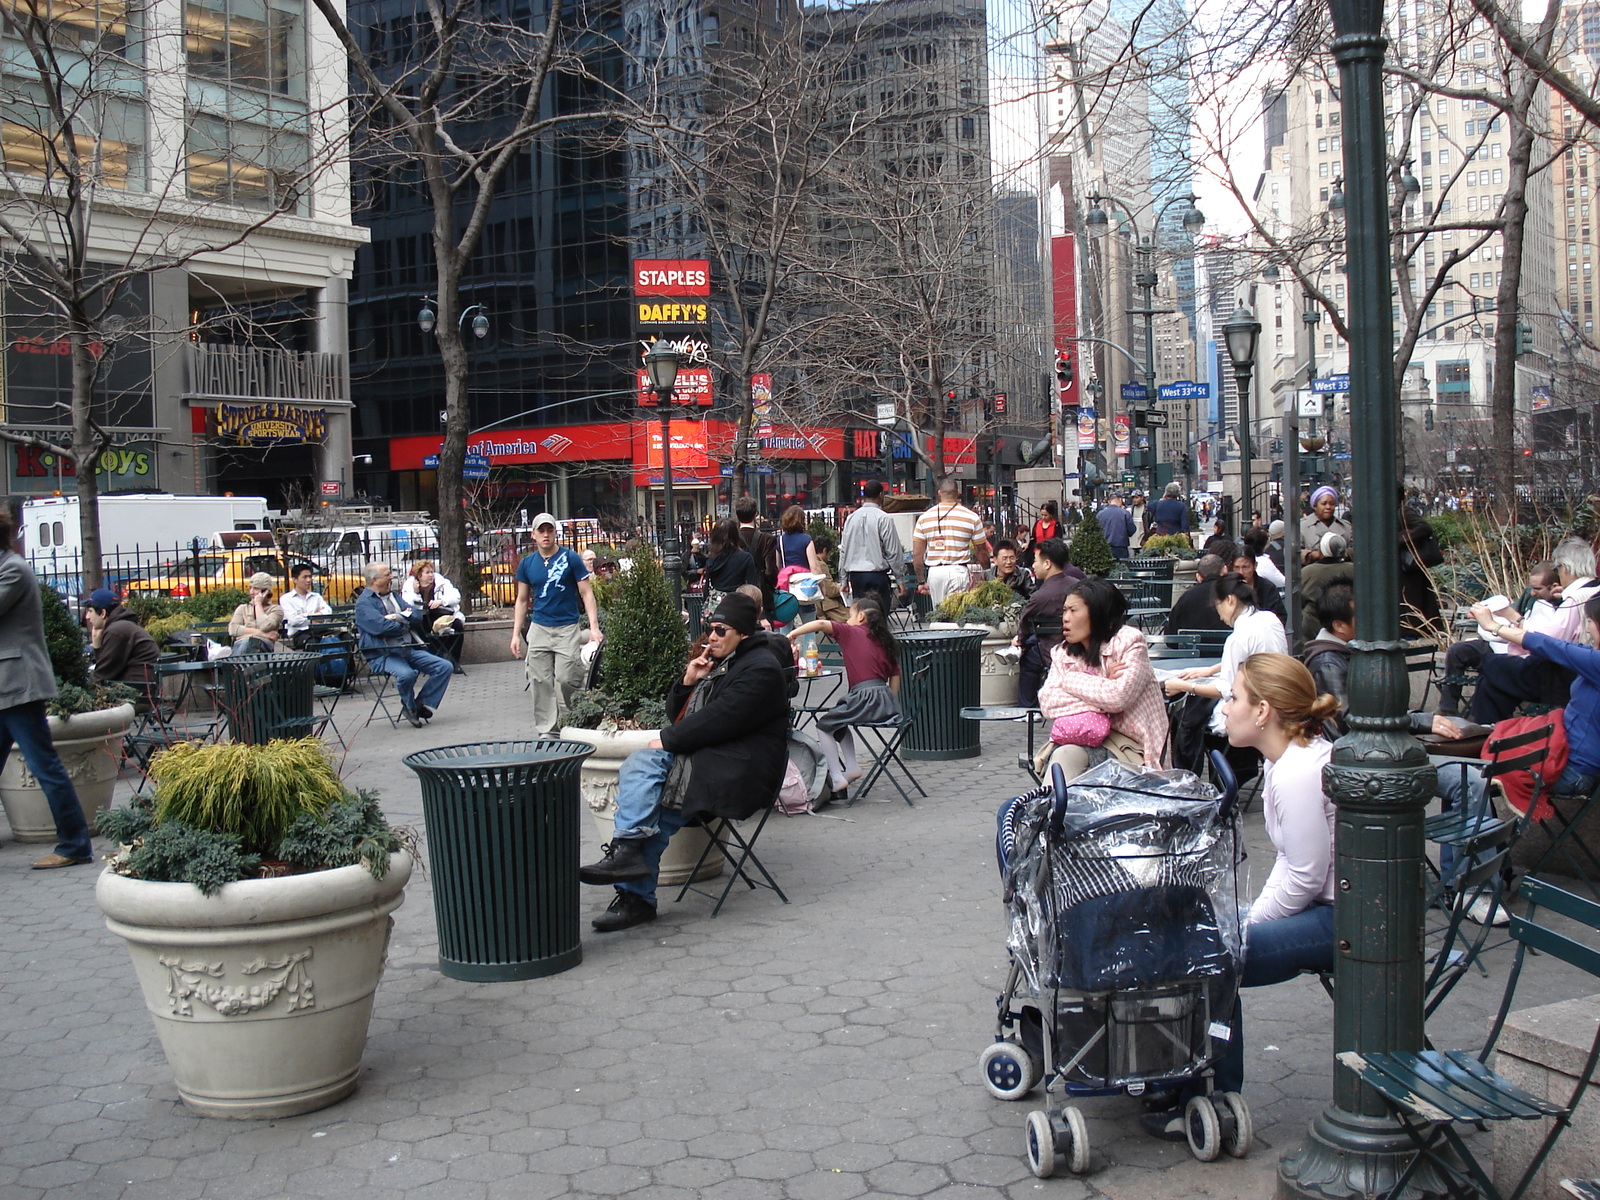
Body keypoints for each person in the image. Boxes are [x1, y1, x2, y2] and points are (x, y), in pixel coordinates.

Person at [1141, 653, 1339, 1141]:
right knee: (1207, 941)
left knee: (1210, 957)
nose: (1224, 709)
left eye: (1234, 698)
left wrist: (1247, 925)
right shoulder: (1290, 761)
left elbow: (1306, 876)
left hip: (1339, 921)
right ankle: (1186, 1083)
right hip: (1326, 908)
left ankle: (1212, 1098)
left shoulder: (1296, 772)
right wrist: (1248, 916)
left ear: (1263, 710)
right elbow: (1294, 869)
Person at [578, 593, 792, 932]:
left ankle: (632, 878)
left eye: (721, 630)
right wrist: (688, 682)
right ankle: (631, 864)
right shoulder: (730, 661)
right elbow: (681, 716)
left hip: (740, 772)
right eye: (710, 628)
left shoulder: (761, 669)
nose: (712, 636)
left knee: (648, 772)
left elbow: (719, 720)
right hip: (712, 760)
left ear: (744, 634)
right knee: (648, 783)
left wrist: (665, 740)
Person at [1434, 592, 1600, 925]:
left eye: (1591, 624)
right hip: (1565, 749)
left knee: (1469, 780)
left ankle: (1470, 887)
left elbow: (1551, 646)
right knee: (1472, 769)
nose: (1588, 630)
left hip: (1572, 768)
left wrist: (1493, 624)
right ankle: (1462, 881)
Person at [0, 513, 94, 869]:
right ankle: (74, 843)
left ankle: (74, 845)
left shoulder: (13, 569)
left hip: (17, 684)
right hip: (6, 685)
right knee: (44, 765)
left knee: (44, 767)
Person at [1036, 578, 1169, 780]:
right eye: (1064, 610)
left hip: (1129, 744)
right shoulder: (1063, 652)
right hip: (1082, 737)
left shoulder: (1130, 642)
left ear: (1097, 613)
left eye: (1073, 610)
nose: (1065, 618)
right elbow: (1048, 702)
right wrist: (1104, 683)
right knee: (1063, 757)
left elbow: (1118, 697)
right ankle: (1050, 809)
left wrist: (1070, 681)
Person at [1163, 573, 1289, 772]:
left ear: (1230, 600)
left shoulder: (1238, 637)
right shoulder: (1269, 619)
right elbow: (1255, 657)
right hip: (1277, 700)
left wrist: (1185, 686)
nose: (1219, 616)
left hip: (1255, 707)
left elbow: (1225, 689)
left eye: (1218, 607)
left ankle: (1190, 775)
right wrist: (1211, 669)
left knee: (1188, 716)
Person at [1471, 538, 1600, 723]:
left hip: (1563, 675)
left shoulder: (1575, 599)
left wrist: (1502, 622)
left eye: (1557, 569)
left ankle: (1488, 734)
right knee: (1490, 683)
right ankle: (1493, 733)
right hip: (1573, 669)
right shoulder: (1593, 590)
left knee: (1490, 664)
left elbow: (1546, 641)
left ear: (1565, 567)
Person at [788, 595, 901, 804]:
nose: (846, 619)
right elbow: (895, 675)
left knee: (823, 726)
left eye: (849, 614)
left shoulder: (851, 632)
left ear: (860, 617)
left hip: (864, 697)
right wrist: (892, 704)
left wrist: (792, 634)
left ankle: (837, 776)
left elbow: (821, 624)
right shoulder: (885, 640)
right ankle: (852, 767)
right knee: (838, 721)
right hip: (884, 700)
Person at [510, 513, 601, 737]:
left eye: (550, 530)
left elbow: (587, 593)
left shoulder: (570, 558)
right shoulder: (527, 564)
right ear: (534, 535)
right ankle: (548, 731)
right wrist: (514, 635)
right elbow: (521, 600)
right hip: (539, 627)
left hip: (566, 627)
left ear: (555, 533)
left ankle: (573, 720)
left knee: (566, 678)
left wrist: (594, 627)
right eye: (541, 531)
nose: (546, 535)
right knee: (539, 680)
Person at [1436, 562, 1560, 717]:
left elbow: (1537, 637)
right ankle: (1447, 710)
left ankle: (1485, 718)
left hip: (1521, 653)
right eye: (1531, 588)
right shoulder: (1530, 597)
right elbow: (1509, 613)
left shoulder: (1559, 608)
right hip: (1501, 641)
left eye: (1538, 589)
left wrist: (1512, 618)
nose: (1533, 593)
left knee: (1491, 670)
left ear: (1554, 587)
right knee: (1459, 650)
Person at [356, 562, 453, 726]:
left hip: (407, 649)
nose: (391, 577)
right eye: (387, 574)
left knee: (444, 667)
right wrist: (403, 621)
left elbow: (416, 615)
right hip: (383, 654)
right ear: (374, 579)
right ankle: (409, 706)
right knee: (407, 674)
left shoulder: (394, 596)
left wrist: (396, 617)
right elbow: (381, 627)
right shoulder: (364, 603)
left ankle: (419, 704)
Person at [1014, 538, 1084, 706]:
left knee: (1027, 658)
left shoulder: (1040, 596)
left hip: (1049, 650)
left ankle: (1028, 708)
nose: (1033, 565)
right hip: (1082, 647)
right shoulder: (1080, 586)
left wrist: (1020, 641)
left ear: (1047, 564)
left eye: (1035, 561)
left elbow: (1024, 624)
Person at [913, 477, 989, 607]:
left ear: (939, 493)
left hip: (935, 573)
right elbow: (981, 551)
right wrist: (987, 574)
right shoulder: (971, 517)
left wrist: (921, 581)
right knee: (958, 615)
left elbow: (917, 556)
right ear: (958, 492)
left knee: (939, 615)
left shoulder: (924, 518)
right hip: (958, 571)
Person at [838, 479, 905, 616]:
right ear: (881, 494)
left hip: (855, 576)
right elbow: (893, 552)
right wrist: (899, 579)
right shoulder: (884, 518)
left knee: (861, 617)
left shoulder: (851, 519)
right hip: (877, 575)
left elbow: (844, 550)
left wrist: (843, 579)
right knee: (878, 617)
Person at [84, 587, 159, 688]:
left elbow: (103, 674)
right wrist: (97, 646)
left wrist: (83, 687)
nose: (87, 617)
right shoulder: (122, 626)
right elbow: (105, 669)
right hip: (138, 687)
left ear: (102, 613)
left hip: (136, 693)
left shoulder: (117, 630)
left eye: (90, 611)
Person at [403, 559, 466, 674]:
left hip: (443, 615)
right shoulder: (410, 585)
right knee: (421, 627)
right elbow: (407, 604)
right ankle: (433, 660)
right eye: (427, 572)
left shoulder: (442, 583)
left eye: (431, 572)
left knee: (457, 625)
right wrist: (416, 593)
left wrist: (441, 601)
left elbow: (455, 596)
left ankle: (455, 661)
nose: (431, 575)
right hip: (423, 618)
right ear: (419, 575)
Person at [1399, 491, 1443, 638]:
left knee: (1411, 608)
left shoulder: (1403, 511)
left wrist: (1399, 538)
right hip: (1403, 570)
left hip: (1408, 569)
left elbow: (1424, 527)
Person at [1299, 533, 1356, 642]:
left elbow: (1298, 600)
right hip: (1346, 622)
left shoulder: (1307, 572)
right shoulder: (1353, 569)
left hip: (1312, 624)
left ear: (1321, 551)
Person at [1161, 554, 1230, 637]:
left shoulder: (1187, 597)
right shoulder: (1234, 594)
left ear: (1199, 577)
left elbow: (1171, 635)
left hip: (1191, 648)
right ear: (1225, 570)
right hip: (1229, 648)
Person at [701, 518, 758, 613]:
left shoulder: (711, 559)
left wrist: (703, 611)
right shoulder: (745, 558)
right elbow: (752, 586)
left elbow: (707, 586)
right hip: (737, 606)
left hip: (715, 607)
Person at [735, 497, 780, 617]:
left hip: (737, 592)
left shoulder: (732, 539)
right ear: (755, 514)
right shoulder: (767, 539)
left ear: (737, 515)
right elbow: (771, 571)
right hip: (762, 594)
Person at [228, 573, 285, 654]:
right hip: (241, 645)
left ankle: (237, 666)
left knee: (251, 643)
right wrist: (263, 634)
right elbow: (233, 629)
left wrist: (258, 604)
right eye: (250, 588)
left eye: (256, 588)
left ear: (265, 591)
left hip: (262, 646)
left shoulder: (276, 610)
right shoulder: (242, 608)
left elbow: (265, 626)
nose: (251, 592)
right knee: (246, 643)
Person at [280, 562, 334, 646]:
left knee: (345, 637)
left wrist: (305, 616)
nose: (309, 580)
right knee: (313, 643)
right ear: (295, 580)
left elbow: (328, 613)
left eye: (310, 576)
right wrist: (317, 616)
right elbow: (294, 621)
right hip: (300, 634)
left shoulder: (316, 596)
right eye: (304, 577)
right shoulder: (286, 599)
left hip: (320, 631)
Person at [1231, 546, 1287, 626]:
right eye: (1237, 567)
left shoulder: (1267, 588)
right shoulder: (1228, 587)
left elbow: (1280, 616)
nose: (1241, 572)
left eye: (1245, 567)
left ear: (1255, 566)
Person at [1300, 486, 1354, 564]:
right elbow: (1293, 553)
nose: (1328, 507)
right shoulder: (1303, 527)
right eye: (1324, 504)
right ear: (1315, 506)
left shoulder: (1346, 526)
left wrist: (1343, 553)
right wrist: (1314, 555)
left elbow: (1355, 550)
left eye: (1332, 504)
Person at [777, 505, 825, 576]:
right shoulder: (807, 540)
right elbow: (814, 567)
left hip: (787, 582)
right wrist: (822, 586)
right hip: (804, 582)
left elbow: (778, 566)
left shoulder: (780, 540)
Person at [1096, 494, 1136, 560]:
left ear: (1109, 501)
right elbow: (1132, 530)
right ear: (1120, 500)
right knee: (1122, 567)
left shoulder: (1100, 514)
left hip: (1104, 547)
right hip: (1121, 547)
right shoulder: (1125, 513)